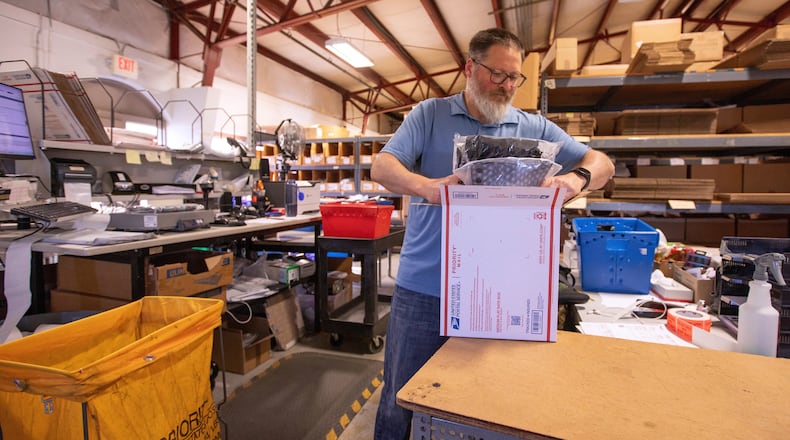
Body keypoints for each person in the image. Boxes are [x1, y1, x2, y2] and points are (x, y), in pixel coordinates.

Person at [370, 28, 615, 439]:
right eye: (496, 75)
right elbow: (382, 167)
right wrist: (428, 187)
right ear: (469, 67)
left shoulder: (534, 127)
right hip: (425, 288)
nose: (506, 86)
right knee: (401, 398)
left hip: (499, 293)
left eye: (514, 78)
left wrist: (576, 180)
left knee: (480, 402)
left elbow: (602, 162)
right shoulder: (429, 114)